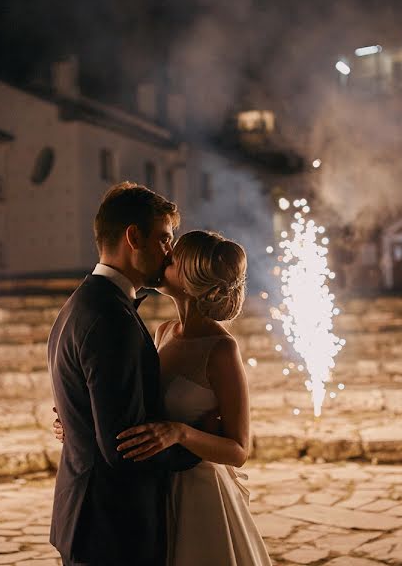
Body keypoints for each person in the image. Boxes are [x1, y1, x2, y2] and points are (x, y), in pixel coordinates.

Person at [55, 229, 272, 566]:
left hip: (198, 492)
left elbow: (239, 449)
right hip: (154, 484)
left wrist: (180, 432)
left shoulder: (222, 350)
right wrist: (78, 417)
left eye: (173, 259)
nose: (164, 257)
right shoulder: (163, 332)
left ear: (189, 280)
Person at [47, 183, 201, 566]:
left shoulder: (82, 302)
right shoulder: (110, 318)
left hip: (88, 518)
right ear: (134, 236)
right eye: (165, 239)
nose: (170, 252)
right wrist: (198, 447)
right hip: (114, 530)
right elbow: (124, 447)